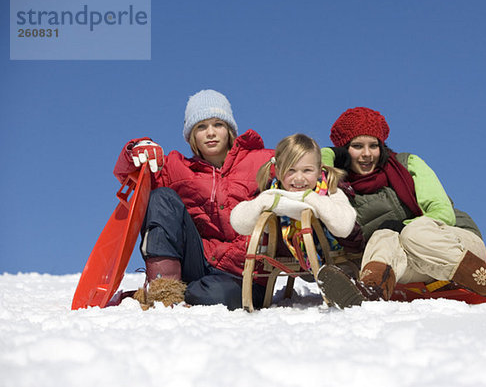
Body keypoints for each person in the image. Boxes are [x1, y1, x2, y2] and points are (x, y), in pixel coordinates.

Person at [317, 107, 486, 310]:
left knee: (412, 233)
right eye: (357, 146)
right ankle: (369, 293)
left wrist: (403, 226)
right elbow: (313, 170)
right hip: (411, 265)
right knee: (382, 235)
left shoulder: (407, 165)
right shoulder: (340, 185)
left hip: (455, 245)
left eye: (373, 146)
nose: (367, 154)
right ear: (343, 150)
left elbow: (443, 213)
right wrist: (330, 156)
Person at [113, 89, 274, 310]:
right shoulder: (177, 168)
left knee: (215, 295)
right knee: (161, 197)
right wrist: (135, 150)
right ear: (191, 135)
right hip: (198, 262)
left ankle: (180, 293)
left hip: (243, 274)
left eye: (218, 124)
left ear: (229, 129)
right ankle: (163, 288)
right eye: (201, 127)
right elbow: (132, 178)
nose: (210, 133)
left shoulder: (262, 161)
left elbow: (300, 168)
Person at [230, 133, 364, 276]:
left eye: (307, 170)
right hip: (289, 255)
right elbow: (239, 223)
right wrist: (264, 201)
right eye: (291, 170)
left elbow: (343, 228)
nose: (299, 178)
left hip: (335, 254)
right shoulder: (273, 193)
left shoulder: (331, 190)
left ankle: (340, 285)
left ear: (319, 170)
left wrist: (310, 199)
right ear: (279, 171)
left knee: (344, 271)